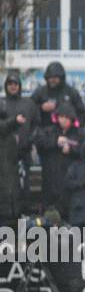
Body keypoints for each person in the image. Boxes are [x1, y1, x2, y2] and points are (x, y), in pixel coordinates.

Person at [36, 103, 85, 217]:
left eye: (66, 117)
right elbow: (39, 142)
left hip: (72, 182)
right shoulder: (49, 131)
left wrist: (71, 150)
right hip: (51, 180)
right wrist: (55, 142)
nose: (63, 120)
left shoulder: (80, 134)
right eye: (60, 117)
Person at [0, 72, 35, 222]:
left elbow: (36, 124)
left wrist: (29, 139)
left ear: (20, 86)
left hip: (23, 152)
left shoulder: (28, 103)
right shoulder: (1, 102)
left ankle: (22, 219)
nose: (13, 87)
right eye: (10, 84)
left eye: (15, 84)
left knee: (23, 187)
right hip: (5, 155)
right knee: (6, 188)